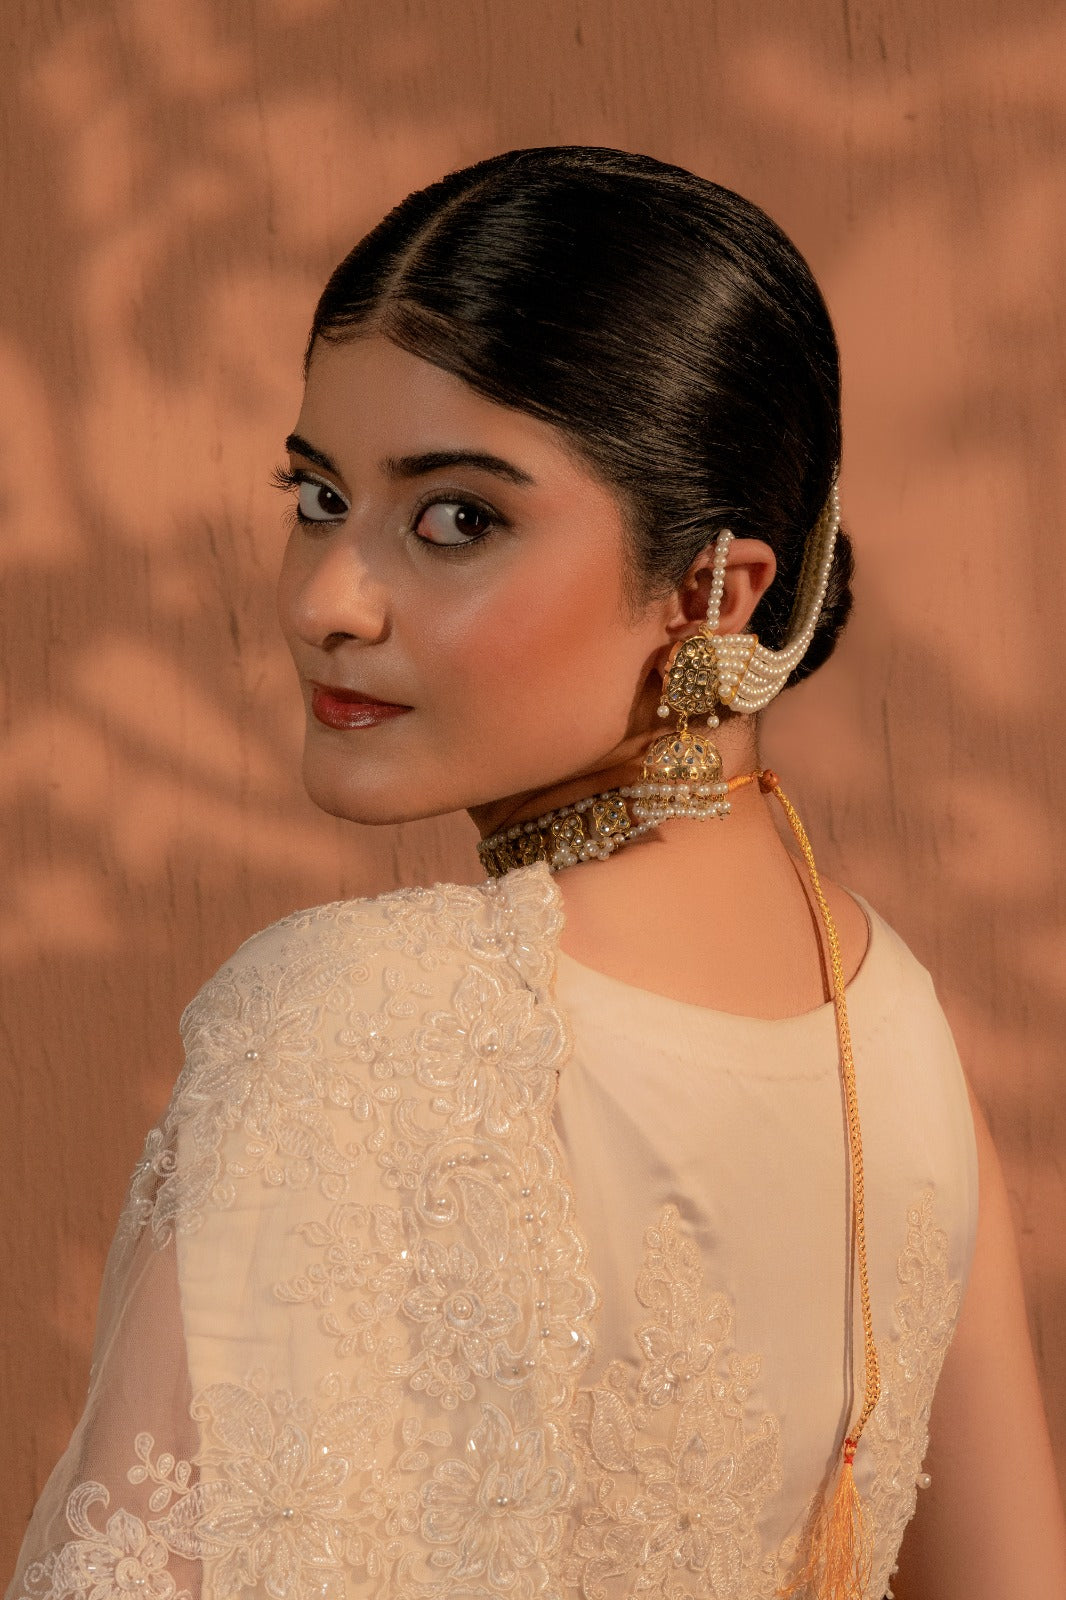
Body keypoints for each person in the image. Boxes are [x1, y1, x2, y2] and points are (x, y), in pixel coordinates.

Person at [7, 145, 1065, 1600]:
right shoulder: (894, 1030)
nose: (326, 603)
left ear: (715, 589)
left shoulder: (355, 1019)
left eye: (457, 519)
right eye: (317, 498)